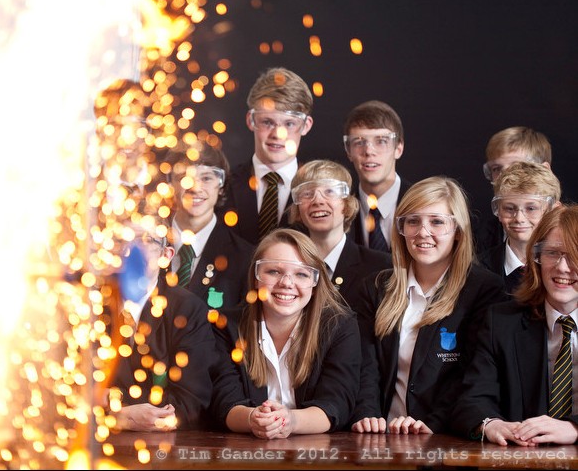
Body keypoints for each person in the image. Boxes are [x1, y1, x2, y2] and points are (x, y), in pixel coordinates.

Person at [350, 176, 507, 435]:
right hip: (379, 437)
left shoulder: (484, 290)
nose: (423, 232)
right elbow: (366, 368)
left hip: (446, 437)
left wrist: (431, 423)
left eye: (436, 222)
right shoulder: (375, 288)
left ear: (458, 231)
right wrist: (367, 415)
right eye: (413, 221)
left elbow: (470, 376)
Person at [211, 228, 361, 438]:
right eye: (274, 272)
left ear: (315, 283)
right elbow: (224, 402)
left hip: (316, 453)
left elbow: (336, 404)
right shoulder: (225, 326)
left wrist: (290, 421)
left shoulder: (339, 326)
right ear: (255, 277)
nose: (286, 283)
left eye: (301, 274)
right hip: (243, 450)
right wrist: (253, 419)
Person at [452, 204, 578, 446]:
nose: (562, 267)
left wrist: (574, 427)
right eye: (552, 253)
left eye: (573, 254)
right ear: (536, 258)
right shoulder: (501, 322)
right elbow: (472, 399)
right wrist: (491, 424)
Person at [100, 219, 216, 432]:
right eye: (121, 240)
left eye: (145, 240)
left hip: (165, 448)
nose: (129, 250)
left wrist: (110, 403)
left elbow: (189, 401)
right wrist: (117, 415)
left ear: (166, 256)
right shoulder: (90, 304)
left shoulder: (187, 310)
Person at [220, 67, 314, 246]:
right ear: (251, 121)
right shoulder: (224, 186)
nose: (278, 134)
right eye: (267, 122)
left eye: (289, 123)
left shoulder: (319, 194)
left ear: (306, 125)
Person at [288, 159, 391, 308]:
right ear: (297, 209)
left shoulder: (380, 268)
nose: (317, 201)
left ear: (347, 204)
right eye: (307, 193)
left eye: (329, 191)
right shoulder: (286, 266)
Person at [163, 143, 254, 310]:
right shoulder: (149, 246)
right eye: (184, 177)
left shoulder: (244, 258)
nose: (196, 188)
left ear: (221, 185)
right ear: (170, 184)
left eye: (206, 178)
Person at [477, 161, 561, 295]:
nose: (519, 218)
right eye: (509, 208)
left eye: (531, 208)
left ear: (553, 211)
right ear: (498, 210)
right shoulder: (477, 270)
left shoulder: (566, 269)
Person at [342, 100, 412, 253]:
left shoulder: (421, 203)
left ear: (398, 148)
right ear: (348, 151)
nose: (369, 151)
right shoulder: (338, 208)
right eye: (359, 142)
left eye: (381, 141)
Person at [474, 126, 553, 253]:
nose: (503, 177)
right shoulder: (480, 238)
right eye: (496, 169)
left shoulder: (572, 228)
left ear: (544, 171)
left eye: (516, 167)